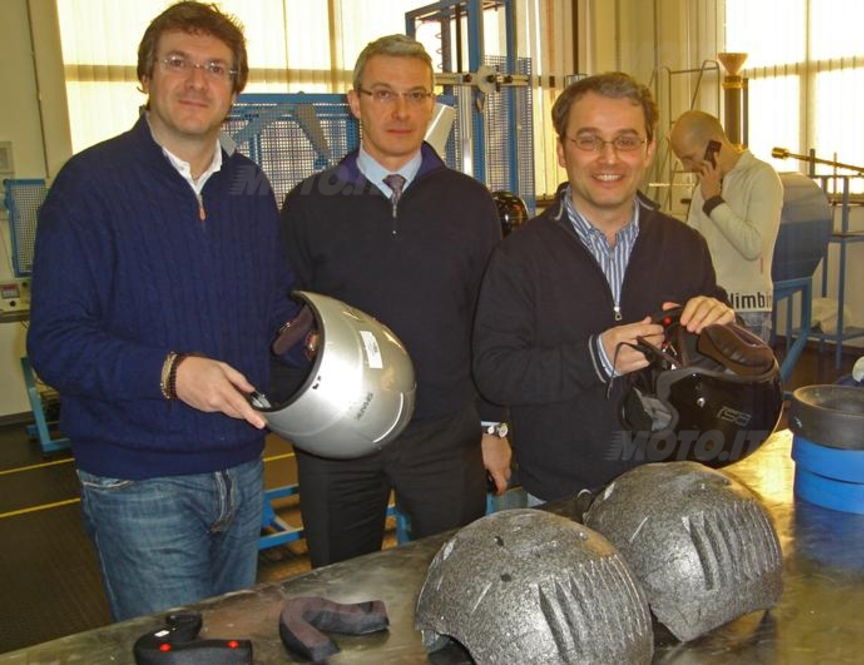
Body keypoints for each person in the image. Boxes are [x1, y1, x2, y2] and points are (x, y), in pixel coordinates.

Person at [27, 1, 300, 621]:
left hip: (241, 465)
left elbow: (271, 302)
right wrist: (172, 372)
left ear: (235, 89)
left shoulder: (249, 186)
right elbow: (56, 342)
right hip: (140, 481)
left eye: (216, 68)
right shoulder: (89, 185)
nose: (197, 81)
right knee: (178, 655)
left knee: (232, 643)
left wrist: (308, 332)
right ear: (145, 76)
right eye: (177, 62)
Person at [278, 34, 511, 567]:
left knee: (459, 581)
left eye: (416, 95)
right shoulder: (310, 203)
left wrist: (493, 427)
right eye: (383, 94)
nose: (401, 111)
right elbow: (283, 318)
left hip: (443, 432)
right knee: (339, 587)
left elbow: (491, 320)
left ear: (432, 103)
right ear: (354, 102)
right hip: (339, 434)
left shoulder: (469, 202)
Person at [472, 72, 735, 504]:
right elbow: (495, 372)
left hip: (667, 486)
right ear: (562, 150)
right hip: (561, 491)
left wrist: (719, 322)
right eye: (589, 140)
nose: (608, 159)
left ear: (649, 149)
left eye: (626, 141)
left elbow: (710, 366)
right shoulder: (519, 256)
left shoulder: (686, 246)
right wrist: (594, 357)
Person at [669, 110, 783, 340]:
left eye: (689, 157)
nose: (686, 167)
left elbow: (753, 246)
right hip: (706, 307)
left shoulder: (761, 177)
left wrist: (713, 200)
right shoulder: (706, 182)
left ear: (715, 144)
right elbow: (691, 244)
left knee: (742, 377)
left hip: (747, 310)